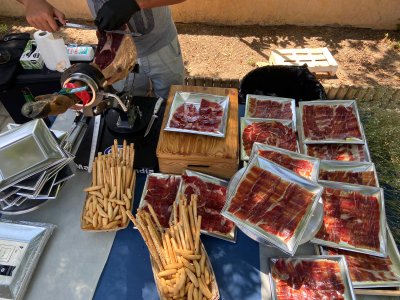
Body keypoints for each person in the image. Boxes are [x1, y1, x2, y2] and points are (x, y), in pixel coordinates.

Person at [17, 0, 186, 99]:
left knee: (172, 100)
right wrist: (32, 2)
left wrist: (133, 3)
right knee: (131, 100)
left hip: (161, 45)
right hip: (115, 53)